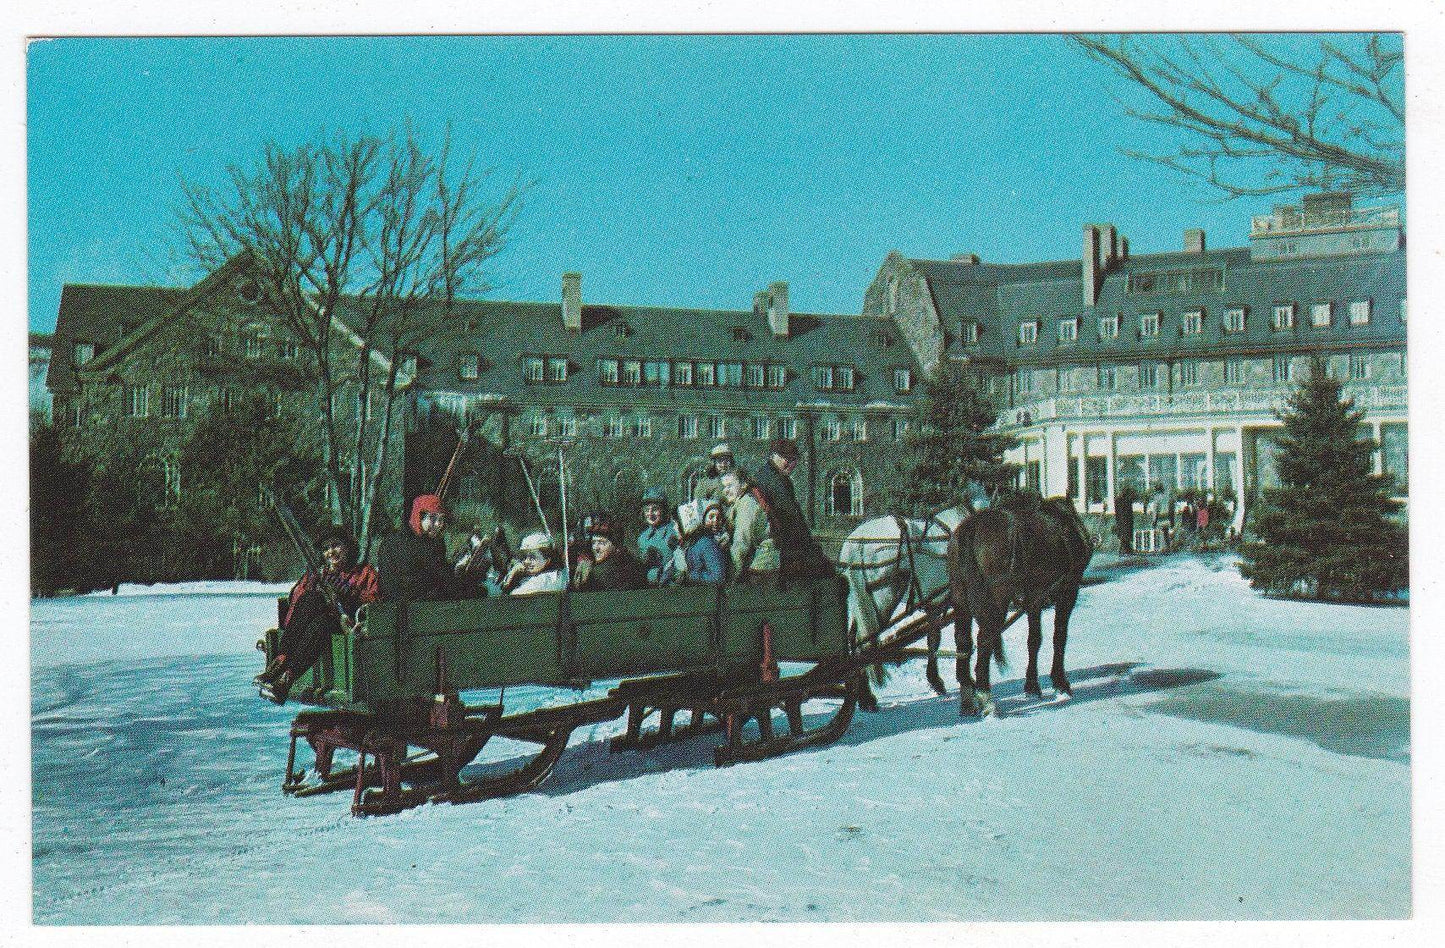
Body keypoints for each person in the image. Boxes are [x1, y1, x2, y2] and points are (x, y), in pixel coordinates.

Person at [257, 530, 379, 704]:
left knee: (324, 622)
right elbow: (296, 602)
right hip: (319, 625)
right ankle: (281, 665)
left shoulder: (364, 572)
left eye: (336, 545)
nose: (331, 552)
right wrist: (316, 589)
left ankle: (286, 676)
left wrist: (351, 596)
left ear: (347, 548)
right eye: (326, 548)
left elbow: (375, 602)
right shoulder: (318, 573)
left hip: (347, 626)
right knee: (313, 604)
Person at [750, 438, 832, 579]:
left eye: (794, 460)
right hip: (778, 544)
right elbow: (792, 517)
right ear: (773, 456)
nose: (791, 464)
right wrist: (809, 545)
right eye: (786, 459)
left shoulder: (767, 474)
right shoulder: (775, 481)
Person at [376, 494, 464, 603]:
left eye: (441, 519)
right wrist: (460, 571)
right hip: (418, 605)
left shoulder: (393, 539)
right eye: (432, 518)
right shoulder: (422, 544)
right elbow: (445, 579)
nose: (438, 524)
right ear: (419, 517)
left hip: (392, 603)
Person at [720, 470, 780, 583]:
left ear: (743, 485)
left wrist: (731, 578)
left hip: (764, 563)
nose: (726, 490)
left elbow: (741, 543)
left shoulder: (746, 504)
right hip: (760, 558)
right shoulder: (740, 503)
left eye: (730, 486)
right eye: (724, 487)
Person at [575, 518, 648, 591]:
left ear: (616, 546)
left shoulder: (607, 572)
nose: (596, 548)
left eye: (602, 543)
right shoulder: (629, 560)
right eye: (593, 542)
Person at [675, 499, 729, 585]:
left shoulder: (706, 544)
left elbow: (718, 577)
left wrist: (689, 576)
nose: (715, 521)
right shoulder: (693, 542)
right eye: (711, 517)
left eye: (677, 525)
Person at [636, 486, 679, 586]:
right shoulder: (642, 538)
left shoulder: (675, 531)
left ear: (663, 510)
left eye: (655, 509)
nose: (650, 514)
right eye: (647, 510)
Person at [502, 532, 568, 595]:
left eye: (532, 557)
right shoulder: (556, 575)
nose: (526, 561)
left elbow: (512, 597)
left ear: (547, 560)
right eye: (524, 557)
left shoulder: (543, 580)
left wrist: (512, 574)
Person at [693, 443, 735, 508]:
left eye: (726, 460)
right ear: (714, 463)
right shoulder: (705, 483)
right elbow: (699, 504)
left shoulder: (737, 480)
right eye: (720, 461)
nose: (723, 465)